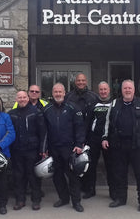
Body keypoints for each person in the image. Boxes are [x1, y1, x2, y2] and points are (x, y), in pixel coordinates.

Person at [102, 79, 140, 212]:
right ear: (121, 90)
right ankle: (120, 199)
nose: (127, 90)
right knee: (119, 174)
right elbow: (107, 123)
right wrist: (104, 137)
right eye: (125, 88)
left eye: (129, 88)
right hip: (118, 146)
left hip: (138, 146)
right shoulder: (114, 103)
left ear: (133, 90)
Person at [43, 83, 86, 212]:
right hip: (53, 148)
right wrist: (44, 148)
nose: (58, 94)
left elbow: (80, 127)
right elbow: (43, 131)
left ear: (64, 92)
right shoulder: (47, 109)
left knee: (73, 176)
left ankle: (76, 201)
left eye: (60, 92)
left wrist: (79, 144)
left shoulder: (73, 107)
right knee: (57, 175)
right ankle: (63, 198)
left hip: (70, 148)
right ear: (52, 93)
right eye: (55, 92)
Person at [8, 91, 47, 211]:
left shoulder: (36, 112)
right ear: (16, 99)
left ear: (28, 98)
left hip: (33, 149)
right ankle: (20, 200)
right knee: (18, 176)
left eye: (24, 97)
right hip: (16, 150)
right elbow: (8, 132)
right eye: (20, 97)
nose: (22, 99)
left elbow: (43, 132)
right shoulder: (11, 114)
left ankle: (36, 200)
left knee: (33, 176)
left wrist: (43, 148)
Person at [81, 81, 114, 199]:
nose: (103, 92)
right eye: (101, 90)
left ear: (109, 90)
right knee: (91, 165)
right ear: (98, 91)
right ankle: (90, 190)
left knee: (110, 166)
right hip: (93, 139)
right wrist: (84, 139)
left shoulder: (114, 104)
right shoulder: (93, 104)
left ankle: (113, 192)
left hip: (109, 139)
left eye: (105, 89)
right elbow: (87, 123)